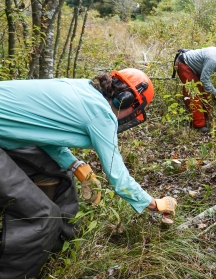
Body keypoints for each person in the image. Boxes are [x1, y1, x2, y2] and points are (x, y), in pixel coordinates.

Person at [0, 68, 177, 278]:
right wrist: (154, 203)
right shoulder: (102, 113)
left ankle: (54, 251)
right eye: (135, 109)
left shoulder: (83, 89)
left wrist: (76, 166)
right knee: (41, 215)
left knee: (61, 182)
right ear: (128, 101)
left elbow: (42, 132)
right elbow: (118, 177)